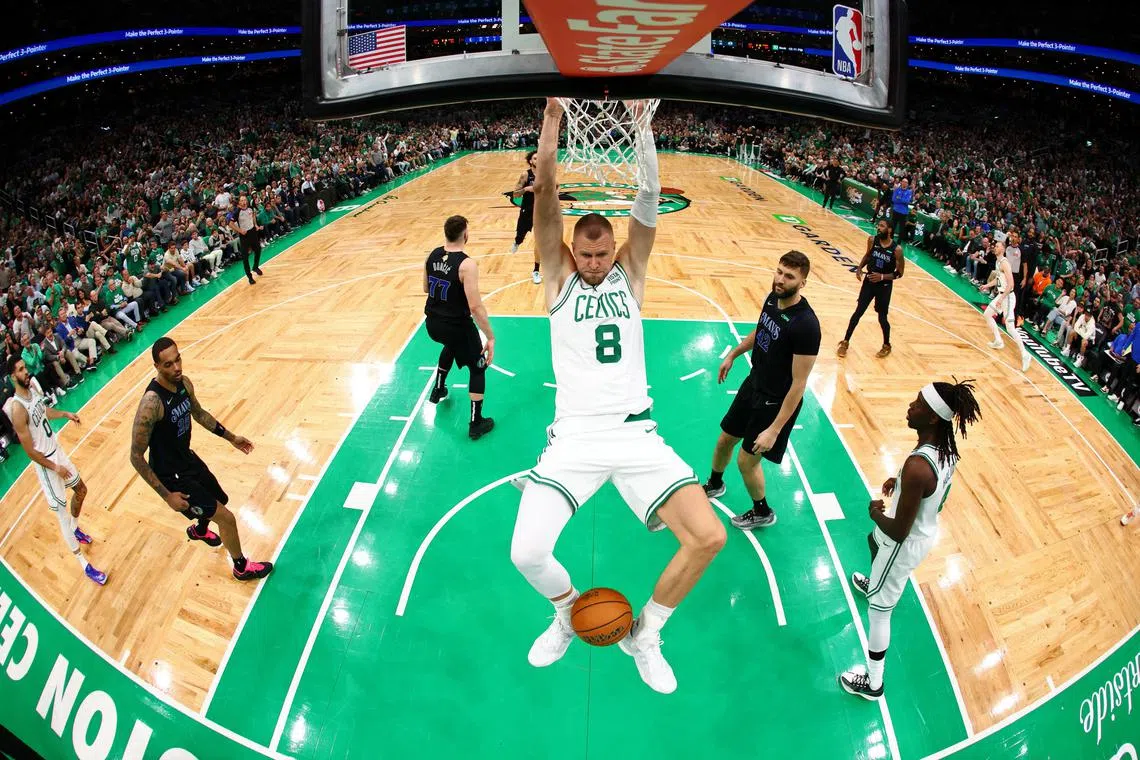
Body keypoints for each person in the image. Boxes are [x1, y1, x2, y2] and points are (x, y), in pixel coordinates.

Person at [510, 98, 725, 695]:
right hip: (575, 435)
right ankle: (564, 612)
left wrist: (641, 127)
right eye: (588, 253)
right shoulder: (557, 278)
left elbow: (649, 204)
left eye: (604, 253)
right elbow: (547, 196)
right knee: (526, 553)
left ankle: (647, 634)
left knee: (709, 537)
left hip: (637, 434)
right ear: (571, 252)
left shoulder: (631, 274)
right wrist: (552, 121)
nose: (597, 261)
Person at [839, 379, 981, 699]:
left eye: (918, 404)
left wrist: (874, 511)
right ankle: (877, 582)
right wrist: (899, 481)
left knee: (879, 612)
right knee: (873, 541)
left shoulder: (918, 466)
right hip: (922, 534)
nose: (910, 406)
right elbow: (930, 490)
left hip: (904, 541)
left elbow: (899, 530)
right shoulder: (945, 450)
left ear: (933, 417)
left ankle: (874, 683)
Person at [129, 338, 273, 581]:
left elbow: (198, 413)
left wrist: (231, 438)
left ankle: (199, 529)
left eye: (178, 360)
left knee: (220, 499)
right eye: (167, 364)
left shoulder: (183, 383)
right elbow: (135, 457)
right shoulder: (151, 404)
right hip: (171, 476)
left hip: (187, 460)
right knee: (226, 518)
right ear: (156, 366)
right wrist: (167, 496)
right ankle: (240, 567)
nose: (176, 368)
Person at [702, 252, 821, 529]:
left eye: (789, 276)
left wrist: (775, 429)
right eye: (779, 272)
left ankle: (762, 511)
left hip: (775, 402)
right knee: (724, 441)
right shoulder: (772, 298)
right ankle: (715, 483)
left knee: (747, 462)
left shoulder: (806, 326)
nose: (780, 279)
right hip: (754, 383)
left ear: (803, 282)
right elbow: (761, 331)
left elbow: (799, 384)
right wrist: (734, 353)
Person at [5, 356, 106, 585]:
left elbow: (44, 412)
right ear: (12, 377)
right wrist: (55, 468)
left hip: (57, 452)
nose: (25, 371)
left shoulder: (32, 390)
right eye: (20, 370)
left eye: (24, 367)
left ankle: (75, 527)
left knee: (81, 490)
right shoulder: (17, 408)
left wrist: (66, 414)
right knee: (61, 516)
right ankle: (84, 565)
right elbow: (30, 451)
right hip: (47, 465)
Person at [424, 215, 496, 440]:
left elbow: (426, 288)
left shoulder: (431, 255)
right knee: (478, 368)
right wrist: (490, 337)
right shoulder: (467, 264)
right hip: (457, 326)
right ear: (465, 234)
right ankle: (476, 423)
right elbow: (475, 307)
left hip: (432, 324)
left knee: (452, 344)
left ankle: (438, 389)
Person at [837, 219, 904, 359]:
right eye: (878, 225)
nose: (878, 228)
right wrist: (860, 268)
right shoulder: (872, 240)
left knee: (882, 318)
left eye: (882, 226)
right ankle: (845, 342)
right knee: (858, 312)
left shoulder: (897, 250)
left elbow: (899, 273)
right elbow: (868, 255)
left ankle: (887, 345)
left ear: (890, 230)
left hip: (884, 286)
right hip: (869, 282)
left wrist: (882, 277)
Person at [980, 241, 1033, 372]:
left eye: (997, 246)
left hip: (1008, 297)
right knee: (987, 315)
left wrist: (1001, 299)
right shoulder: (998, 262)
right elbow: (998, 279)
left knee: (1010, 328)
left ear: (1003, 249)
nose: (995, 247)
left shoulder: (1004, 262)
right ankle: (998, 340)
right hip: (1002, 295)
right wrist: (987, 285)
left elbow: (1011, 284)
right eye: (995, 246)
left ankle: (1025, 355)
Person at [511, 151, 542, 284]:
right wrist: (526, 189)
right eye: (535, 158)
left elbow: (557, 185)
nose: (538, 160)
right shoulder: (525, 175)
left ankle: (536, 270)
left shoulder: (545, 173)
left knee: (539, 242)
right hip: (527, 210)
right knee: (521, 235)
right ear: (530, 161)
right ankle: (517, 242)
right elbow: (515, 194)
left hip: (541, 211)